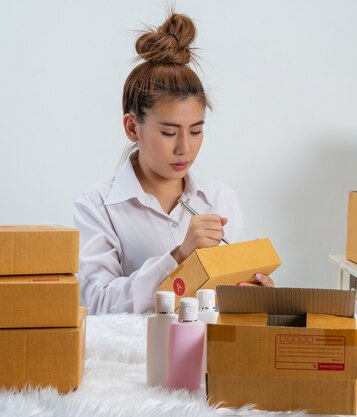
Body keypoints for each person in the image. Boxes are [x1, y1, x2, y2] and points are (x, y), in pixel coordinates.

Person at [73, 12, 273, 315]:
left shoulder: (221, 199)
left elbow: (229, 302)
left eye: (196, 130)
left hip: (212, 355)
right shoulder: (97, 205)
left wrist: (255, 295)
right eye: (169, 132)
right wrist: (179, 256)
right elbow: (98, 304)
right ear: (132, 127)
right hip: (136, 359)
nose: (185, 147)